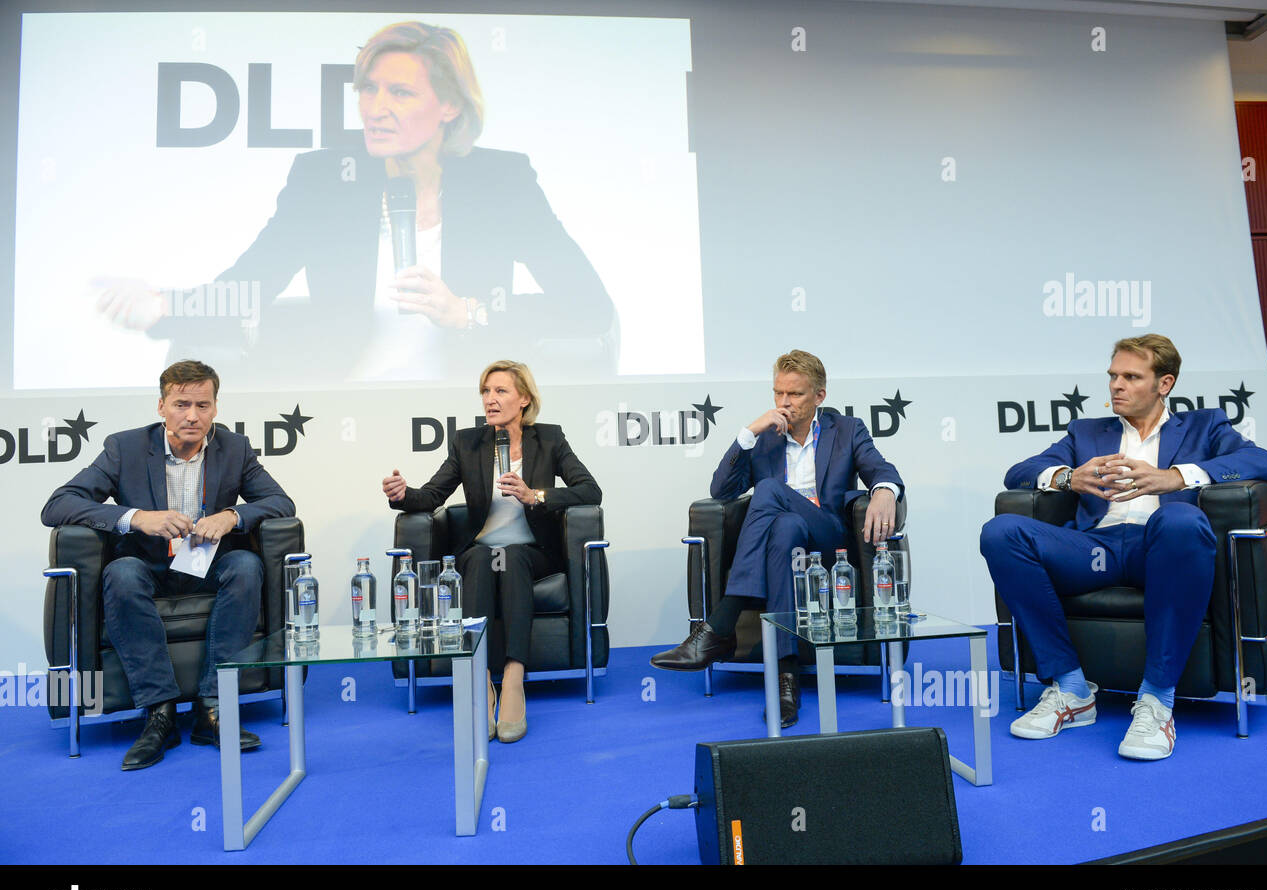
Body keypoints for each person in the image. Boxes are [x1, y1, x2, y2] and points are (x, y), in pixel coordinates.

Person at [97, 22, 617, 383]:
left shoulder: (501, 181)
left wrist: (467, 313)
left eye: (400, 93)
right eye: (368, 90)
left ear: (450, 105)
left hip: (470, 427)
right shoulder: (324, 181)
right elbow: (251, 285)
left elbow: (588, 305)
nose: (376, 109)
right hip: (350, 404)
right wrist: (164, 305)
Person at [980, 334, 1267, 760]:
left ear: (1164, 383)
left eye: (1131, 377)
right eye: (1113, 376)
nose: (1116, 385)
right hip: (1094, 550)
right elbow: (1020, 472)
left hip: (1161, 549)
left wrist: (1176, 476)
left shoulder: (1204, 426)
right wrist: (1069, 477)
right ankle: (1071, 690)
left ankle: (1157, 701)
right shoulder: (1087, 432)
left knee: (1179, 519)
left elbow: (1263, 462)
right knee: (1001, 531)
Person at [41, 360, 296, 770]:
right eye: (181, 404)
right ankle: (159, 713)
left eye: (202, 404)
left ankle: (212, 707)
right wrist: (135, 517)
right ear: (161, 406)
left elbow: (281, 502)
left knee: (246, 565)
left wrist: (231, 516)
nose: (192, 415)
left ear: (215, 408)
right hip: (147, 566)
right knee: (120, 573)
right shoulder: (123, 447)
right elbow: (58, 504)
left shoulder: (235, 448)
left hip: (207, 566)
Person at [650, 349, 904, 727]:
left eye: (795, 395)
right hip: (787, 544)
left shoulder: (847, 430)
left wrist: (884, 490)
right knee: (783, 531)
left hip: (829, 539)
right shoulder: (766, 437)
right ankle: (786, 681)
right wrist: (749, 433)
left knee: (769, 489)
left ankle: (720, 624)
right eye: (778, 393)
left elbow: (880, 468)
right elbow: (721, 490)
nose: (784, 403)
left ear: (819, 396)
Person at [382, 359, 601, 743]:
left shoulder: (549, 439)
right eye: (485, 391)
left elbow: (589, 489)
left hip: (531, 551)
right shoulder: (468, 442)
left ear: (524, 400)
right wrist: (404, 495)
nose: (490, 400)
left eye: (500, 391)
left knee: (513, 555)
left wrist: (538, 495)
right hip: (479, 549)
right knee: (484, 557)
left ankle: (514, 679)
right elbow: (433, 494)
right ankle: (480, 678)